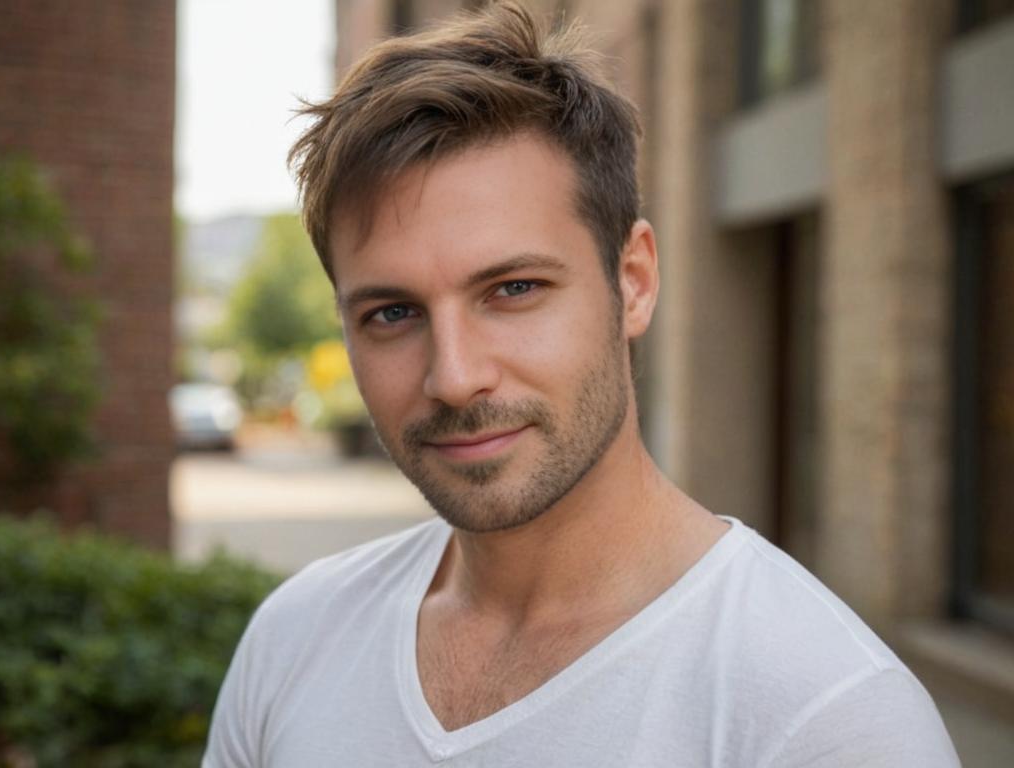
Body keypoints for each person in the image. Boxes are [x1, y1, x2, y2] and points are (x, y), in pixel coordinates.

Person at [204, 3, 960, 765]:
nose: (456, 377)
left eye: (514, 289)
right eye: (392, 312)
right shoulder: (294, 639)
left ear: (632, 283)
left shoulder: (830, 717)